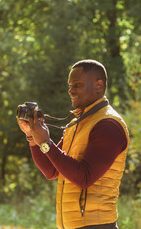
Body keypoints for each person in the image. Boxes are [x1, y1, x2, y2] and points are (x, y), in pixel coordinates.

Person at [17, 59, 129, 229]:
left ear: (99, 86)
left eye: (77, 85)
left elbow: (85, 177)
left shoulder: (108, 124)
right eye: (70, 86)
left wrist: (46, 142)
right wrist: (32, 136)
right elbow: (51, 170)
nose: (71, 91)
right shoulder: (78, 123)